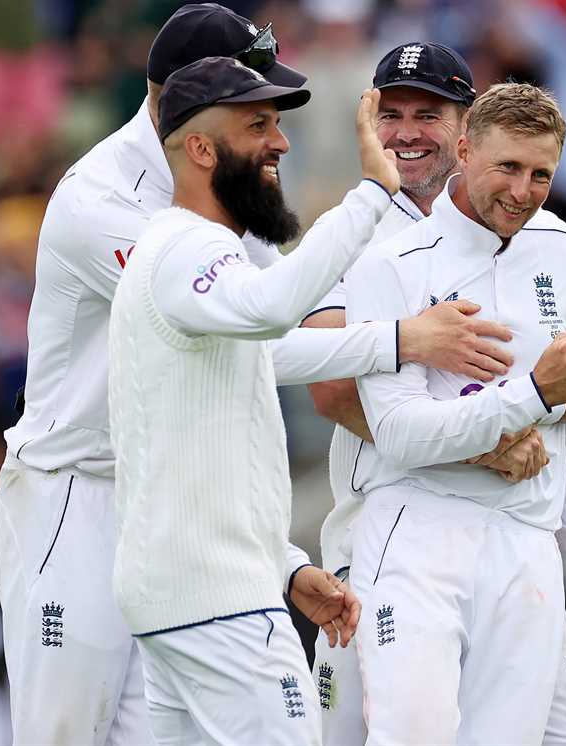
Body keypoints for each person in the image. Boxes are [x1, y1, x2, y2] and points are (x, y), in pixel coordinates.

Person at [0, 6, 510, 744]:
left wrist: (281, 556)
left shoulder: (222, 190)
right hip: (72, 493)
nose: (278, 136)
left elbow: (269, 341)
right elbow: (260, 329)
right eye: (256, 110)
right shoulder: (99, 202)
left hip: (166, 504)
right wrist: (400, 337)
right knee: (63, 733)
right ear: (193, 110)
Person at [302, 43, 566, 746]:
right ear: (471, 148)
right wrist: (516, 411)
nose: (523, 189)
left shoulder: (555, 244)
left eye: (540, 174)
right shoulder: (375, 250)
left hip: (525, 540)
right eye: (390, 113)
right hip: (405, 527)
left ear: (456, 129)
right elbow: (353, 401)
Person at [107, 56, 383, 744]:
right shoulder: (189, 252)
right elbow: (277, 306)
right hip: (219, 609)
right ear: (199, 147)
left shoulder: (187, 257)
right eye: (258, 124)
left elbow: (199, 458)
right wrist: (372, 193)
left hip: (182, 602)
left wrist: (283, 565)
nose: (281, 142)